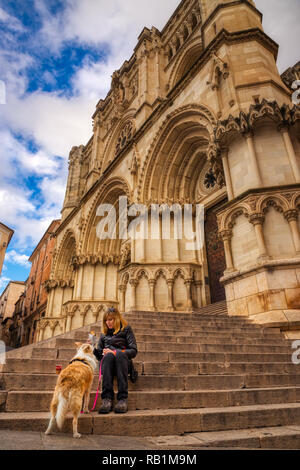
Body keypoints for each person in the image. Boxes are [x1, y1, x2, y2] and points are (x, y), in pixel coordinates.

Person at [93, 306, 138, 414]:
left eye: (110, 319)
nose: (108, 322)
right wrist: (95, 349)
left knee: (119, 355)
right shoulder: (104, 334)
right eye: (106, 320)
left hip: (122, 363)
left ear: (116, 319)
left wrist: (115, 352)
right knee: (107, 356)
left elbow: (133, 350)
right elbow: (99, 355)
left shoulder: (126, 329)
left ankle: (122, 399)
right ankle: (106, 399)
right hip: (108, 364)